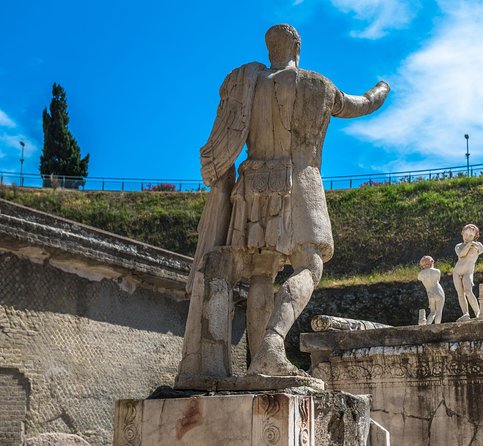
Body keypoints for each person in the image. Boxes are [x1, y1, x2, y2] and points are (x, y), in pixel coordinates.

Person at [179, 24, 390, 380]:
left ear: (269, 48)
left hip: (253, 182)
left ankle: (259, 365)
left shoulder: (248, 85)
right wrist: (383, 88)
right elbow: (362, 104)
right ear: (297, 46)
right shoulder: (316, 84)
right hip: (299, 179)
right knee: (309, 265)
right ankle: (273, 346)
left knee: (262, 273)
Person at [452, 224, 483, 321]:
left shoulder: (478, 245)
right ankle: (465, 313)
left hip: (468, 272)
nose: (467, 237)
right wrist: (469, 245)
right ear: (462, 233)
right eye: (465, 234)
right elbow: (461, 254)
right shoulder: (459, 246)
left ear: (475, 236)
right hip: (457, 272)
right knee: (460, 294)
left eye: (470, 235)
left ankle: (478, 312)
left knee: (468, 291)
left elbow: (481, 250)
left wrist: (472, 244)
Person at [417, 256, 445, 324]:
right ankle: (437, 326)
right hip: (438, 291)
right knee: (439, 311)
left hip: (430, 293)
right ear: (432, 262)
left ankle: (427, 326)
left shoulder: (420, 274)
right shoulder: (437, 271)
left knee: (432, 312)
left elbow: (419, 278)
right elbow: (438, 279)